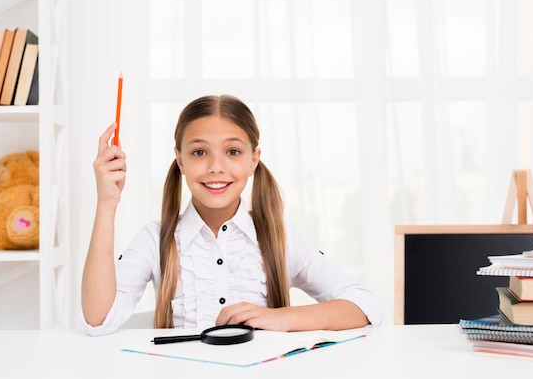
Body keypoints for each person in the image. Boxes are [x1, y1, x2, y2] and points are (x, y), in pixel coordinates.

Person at [81, 94, 381, 335]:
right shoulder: (155, 239)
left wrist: (280, 318)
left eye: (233, 152)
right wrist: (107, 205)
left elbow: (365, 305)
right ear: (180, 160)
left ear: (254, 160)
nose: (216, 167)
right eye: (199, 152)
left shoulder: (279, 237)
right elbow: (99, 320)